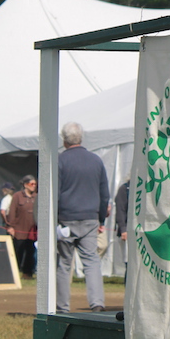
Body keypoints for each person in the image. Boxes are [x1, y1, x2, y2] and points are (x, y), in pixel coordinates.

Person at [57, 121, 110, 313]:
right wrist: (101, 220)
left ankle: (62, 306)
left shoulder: (59, 161)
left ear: (64, 140)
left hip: (65, 219)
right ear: (81, 138)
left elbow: (54, 193)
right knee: (92, 261)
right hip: (89, 218)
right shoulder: (95, 160)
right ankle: (97, 303)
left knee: (64, 263)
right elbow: (105, 194)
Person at [7, 175, 38, 278]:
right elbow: (12, 212)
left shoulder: (37, 197)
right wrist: (11, 227)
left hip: (32, 230)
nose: (34, 186)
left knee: (31, 252)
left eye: (35, 184)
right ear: (25, 185)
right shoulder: (17, 196)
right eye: (31, 184)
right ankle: (14, 273)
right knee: (18, 252)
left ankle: (27, 272)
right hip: (19, 229)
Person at [115, 178, 130, 281]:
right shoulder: (124, 189)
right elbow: (120, 210)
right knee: (129, 263)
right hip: (127, 232)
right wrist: (123, 229)